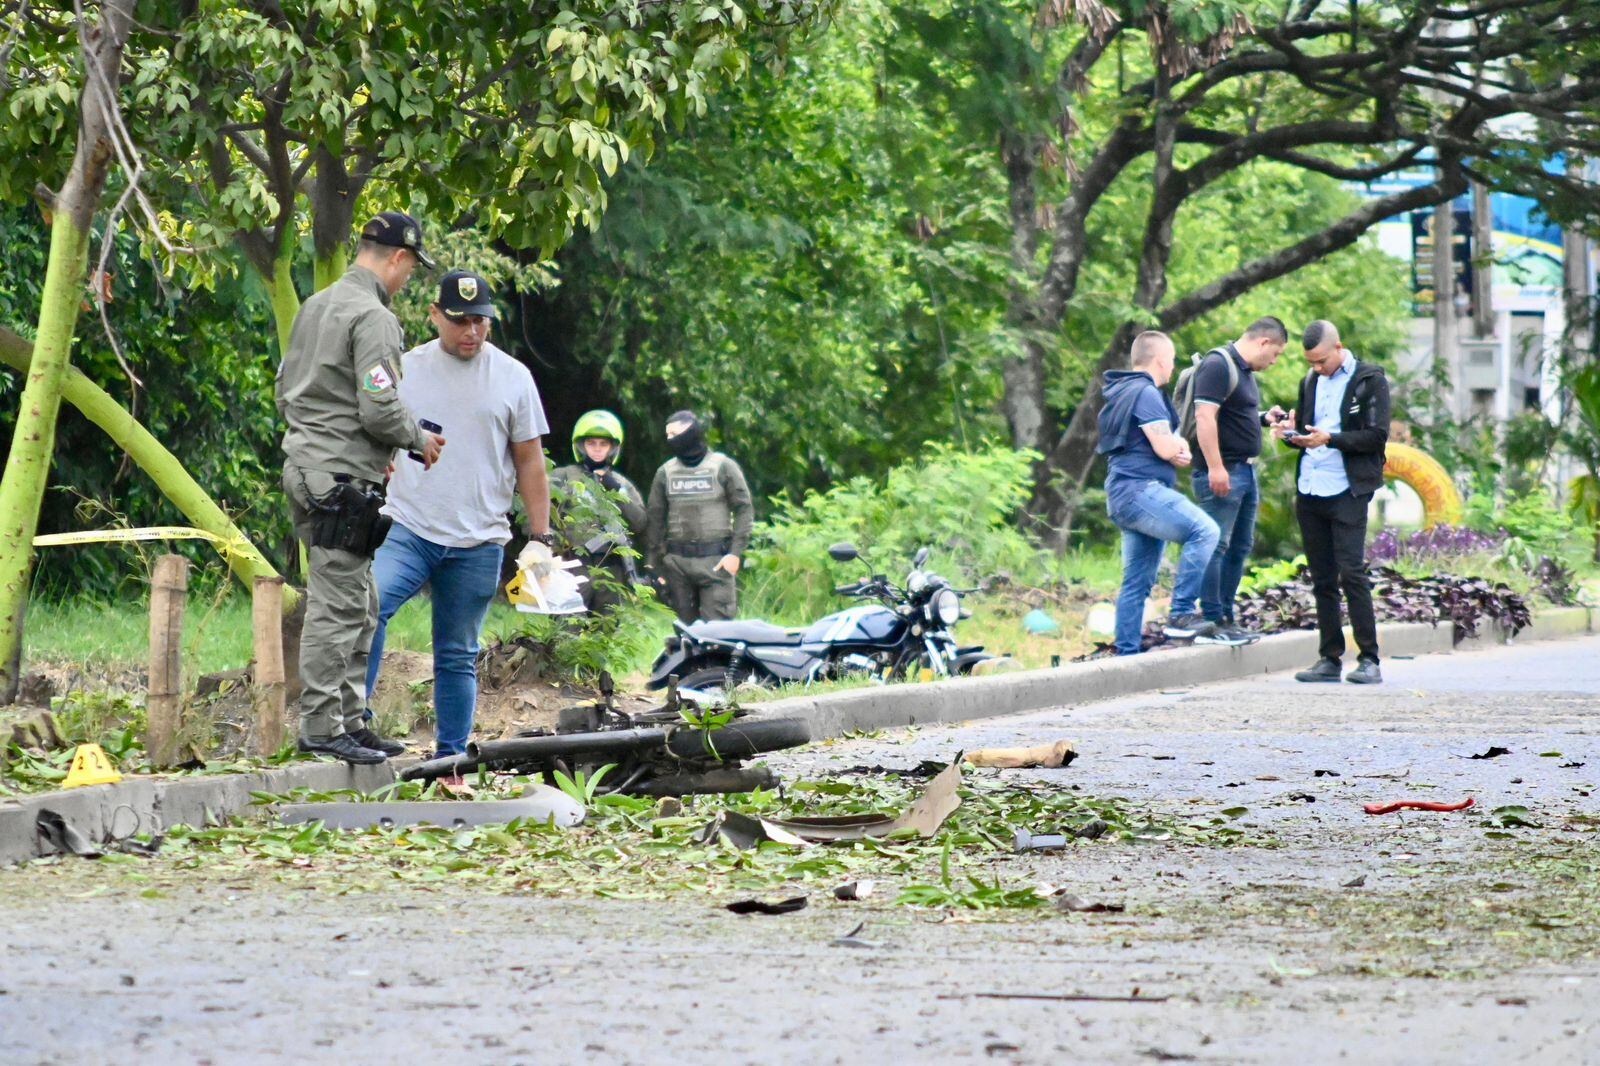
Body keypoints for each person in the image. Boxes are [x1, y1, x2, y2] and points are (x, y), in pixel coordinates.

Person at [277, 211, 445, 765]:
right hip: (339, 480)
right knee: (338, 605)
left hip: (312, 468)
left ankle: (351, 720)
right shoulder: (374, 317)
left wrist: (361, 452)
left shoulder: (316, 306)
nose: (408, 279)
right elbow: (379, 408)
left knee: (363, 602)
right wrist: (416, 439)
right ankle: (321, 726)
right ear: (397, 257)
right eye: (411, 268)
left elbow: (286, 388)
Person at [363, 269, 552, 758]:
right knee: (369, 606)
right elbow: (370, 422)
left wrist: (540, 537)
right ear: (434, 316)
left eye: (480, 321)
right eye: (459, 320)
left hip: (479, 538)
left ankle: (450, 759)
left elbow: (530, 460)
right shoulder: (405, 368)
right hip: (408, 524)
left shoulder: (513, 377)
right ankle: (352, 723)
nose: (471, 331)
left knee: (457, 653)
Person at [1276, 319, 1390, 685]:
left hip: (1347, 489)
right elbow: (1307, 431)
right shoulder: (1310, 381)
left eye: (1322, 361)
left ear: (1338, 348)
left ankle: (1369, 658)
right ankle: (1329, 658)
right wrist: (1290, 435)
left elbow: (1376, 436)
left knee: (1351, 573)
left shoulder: (1369, 380)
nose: (1317, 368)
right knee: (1321, 577)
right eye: (1311, 362)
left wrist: (1331, 439)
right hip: (1310, 486)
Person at [1097, 330, 1222, 655]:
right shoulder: (1147, 393)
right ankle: (1181, 614)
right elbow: (1166, 448)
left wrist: (1172, 446)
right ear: (1161, 360)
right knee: (1205, 531)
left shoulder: (1122, 391)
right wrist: (1176, 445)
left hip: (1123, 493)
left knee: (1136, 583)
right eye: (1172, 360)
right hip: (1140, 492)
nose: (1173, 367)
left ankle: (1126, 655)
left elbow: (1159, 446)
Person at [1182, 316, 1289, 641]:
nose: (1274, 361)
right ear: (1264, 342)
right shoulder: (1218, 365)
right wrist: (1216, 467)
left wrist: (1263, 418)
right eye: (1276, 354)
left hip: (1245, 471)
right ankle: (1211, 620)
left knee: (1240, 545)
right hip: (1223, 471)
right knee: (1215, 546)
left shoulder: (1243, 372)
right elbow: (1205, 416)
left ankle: (1227, 618)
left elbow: (1233, 414)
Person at [646, 410, 753, 623]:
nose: (670, 440)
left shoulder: (723, 466)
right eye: (667, 435)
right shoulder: (665, 472)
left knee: (717, 633)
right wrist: (653, 565)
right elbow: (655, 520)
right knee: (685, 634)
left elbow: (744, 509)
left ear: (690, 432)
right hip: (677, 566)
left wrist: (734, 554)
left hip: (716, 562)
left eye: (674, 434)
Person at [550, 410, 647, 612]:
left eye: (603, 444)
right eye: (591, 443)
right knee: (567, 623)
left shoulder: (621, 483)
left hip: (611, 568)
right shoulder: (563, 476)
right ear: (581, 445)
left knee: (607, 624)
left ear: (613, 448)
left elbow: (639, 523)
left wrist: (616, 493)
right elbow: (539, 513)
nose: (597, 449)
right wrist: (548, 548)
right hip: (571, 564)